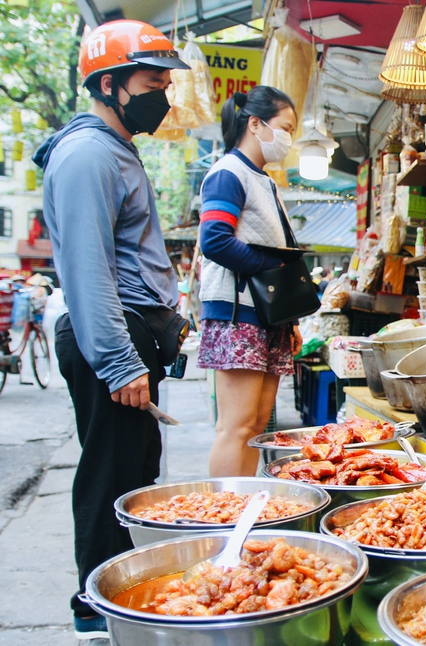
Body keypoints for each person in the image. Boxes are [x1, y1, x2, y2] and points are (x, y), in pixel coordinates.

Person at [32, 20, 190, 640]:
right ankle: (95, 611)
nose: (163, 96)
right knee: (110, 474)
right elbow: (86, 270)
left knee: (133, 472)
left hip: (129, 332)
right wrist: (119, 361)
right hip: (111, 333)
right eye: (152, 82)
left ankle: (122, 597)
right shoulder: (88, 154)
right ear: (109, 84)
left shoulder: (116, 149)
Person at [197, 86, 302, 477]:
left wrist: (289, 320)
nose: (288, 138)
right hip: (237, 315)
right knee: (236, 426)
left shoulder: (265, 181)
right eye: (285, 127)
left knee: (257, 427)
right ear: (255, 124)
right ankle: (224, 518)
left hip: (266, 316)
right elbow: (215, 241)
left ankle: (245, 514)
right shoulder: (228, 173)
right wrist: (269, 266)